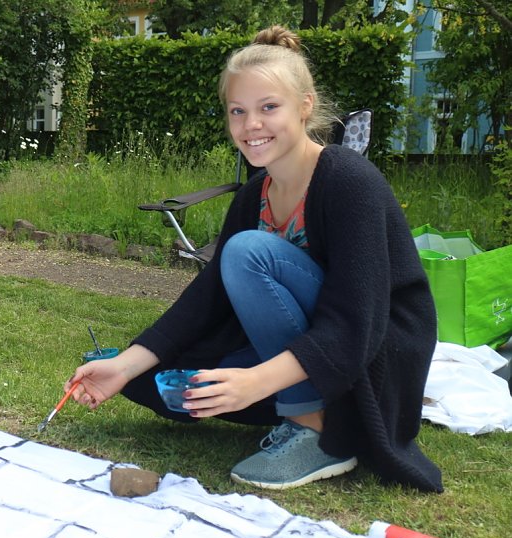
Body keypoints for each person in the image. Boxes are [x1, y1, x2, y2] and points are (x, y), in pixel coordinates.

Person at [64, 25, 443, 492]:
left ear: (305, 106)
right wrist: (123, 366)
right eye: (238, 111)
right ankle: (298, 406)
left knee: (247, 253)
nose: (251, 125)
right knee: (167, 382)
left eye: (268, 108)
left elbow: (355, 323)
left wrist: (257, 381)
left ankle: (317, 430)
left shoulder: (348, 180)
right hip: (320, 342)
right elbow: (204, 300)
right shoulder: (254, 195)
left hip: (375, 349)